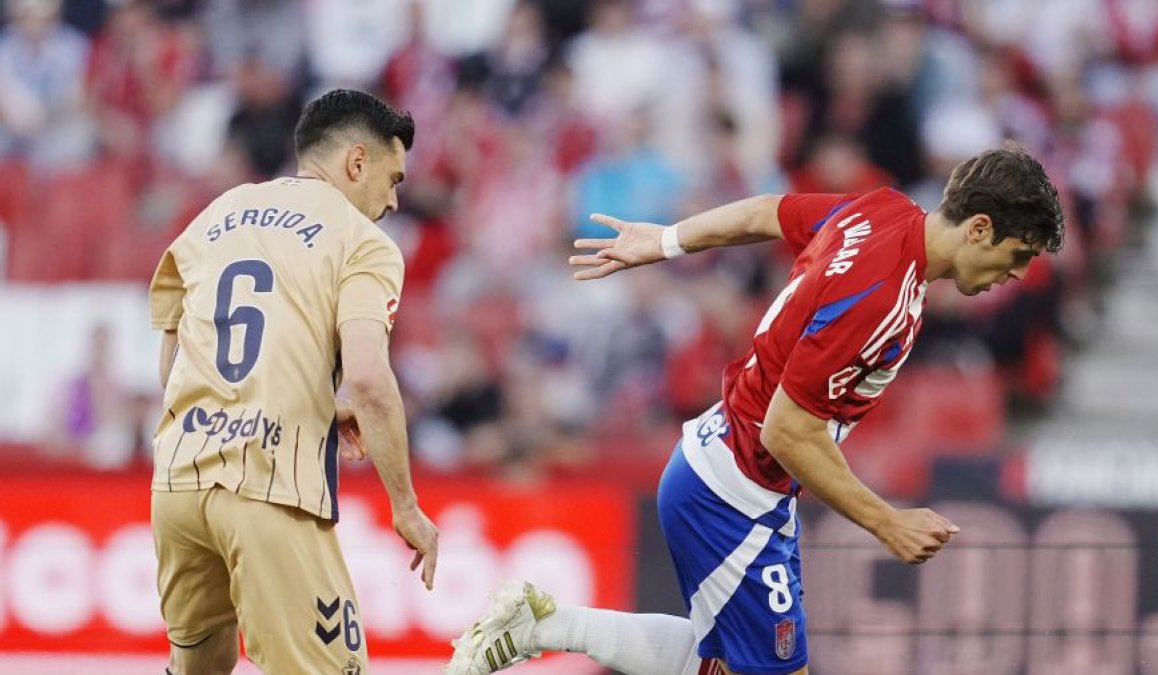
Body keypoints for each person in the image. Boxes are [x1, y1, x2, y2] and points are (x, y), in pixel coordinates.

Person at [444, 145, 1064, 675]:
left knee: (720, 662)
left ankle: (538, 625)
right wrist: (886, 522)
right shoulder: (877, 297)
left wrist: (663, 240)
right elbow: (788, 430)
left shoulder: (886, 211)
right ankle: (536, 628)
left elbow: (769, 212)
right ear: (979, 228)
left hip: (739, 475)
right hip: (732, 491)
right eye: (1017, 256)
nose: (1014, 275)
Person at [148, 88, 438, 675]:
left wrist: (321, 408)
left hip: (177, 484)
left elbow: (174, 367)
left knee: (198, 665)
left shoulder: (216, 216)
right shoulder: (363, 244)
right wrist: (405, 506)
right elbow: (368, 376)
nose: (394, 200)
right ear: (357, 162)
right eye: (393, 177)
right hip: (270, 489)